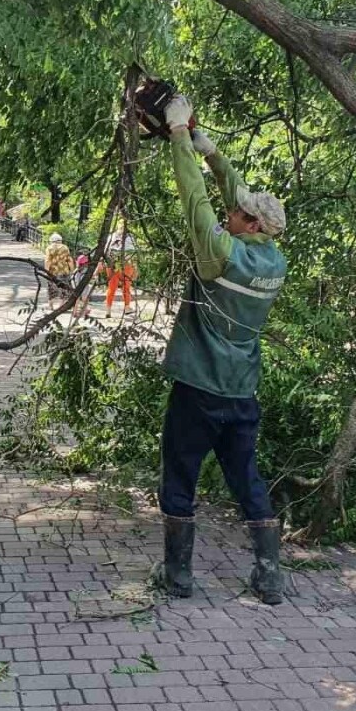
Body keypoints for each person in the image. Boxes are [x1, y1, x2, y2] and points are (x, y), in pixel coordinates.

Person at [153, 94, 289, 604]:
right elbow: (237, 197)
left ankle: (179, 576)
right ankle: (269, 574)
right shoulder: (273, 260)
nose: (232, 211)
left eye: (239, 214)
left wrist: (178, 137)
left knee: (180, 474)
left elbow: (195, 199)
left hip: (198, 387)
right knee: (246, 476)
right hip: (241, 393)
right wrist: (210, 149)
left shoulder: (220, 255)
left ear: (251, 226)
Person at [103, 233, 136, 318]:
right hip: (126, 263)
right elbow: (133, 254)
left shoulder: (111, 236)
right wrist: (135, 267)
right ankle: (127, 307)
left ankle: (108, 310)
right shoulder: (130, 237)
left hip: (111, 264)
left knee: (111, 287)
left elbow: (105, 251)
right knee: (126, 286)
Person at [43, 232, 73, 306]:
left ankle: (51, 304)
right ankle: (61, 305)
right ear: (60, 240)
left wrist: (46, 270)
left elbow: (47, 260)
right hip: (64, 271)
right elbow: (69, 260)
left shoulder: (49, 248)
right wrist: (72, 269)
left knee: (51, 288)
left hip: (52, 271)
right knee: (63, 288)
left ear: (51, 241)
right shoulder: (65, 247)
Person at [72, 253, 93, 317]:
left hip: (76, 286)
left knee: (77, 300)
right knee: (85, 299)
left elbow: (73, 278)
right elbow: (85, 279)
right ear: (85, 263)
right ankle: (84, 312)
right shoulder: (85, 270)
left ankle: (75, 312)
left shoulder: (76, 270)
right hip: (84, 286)